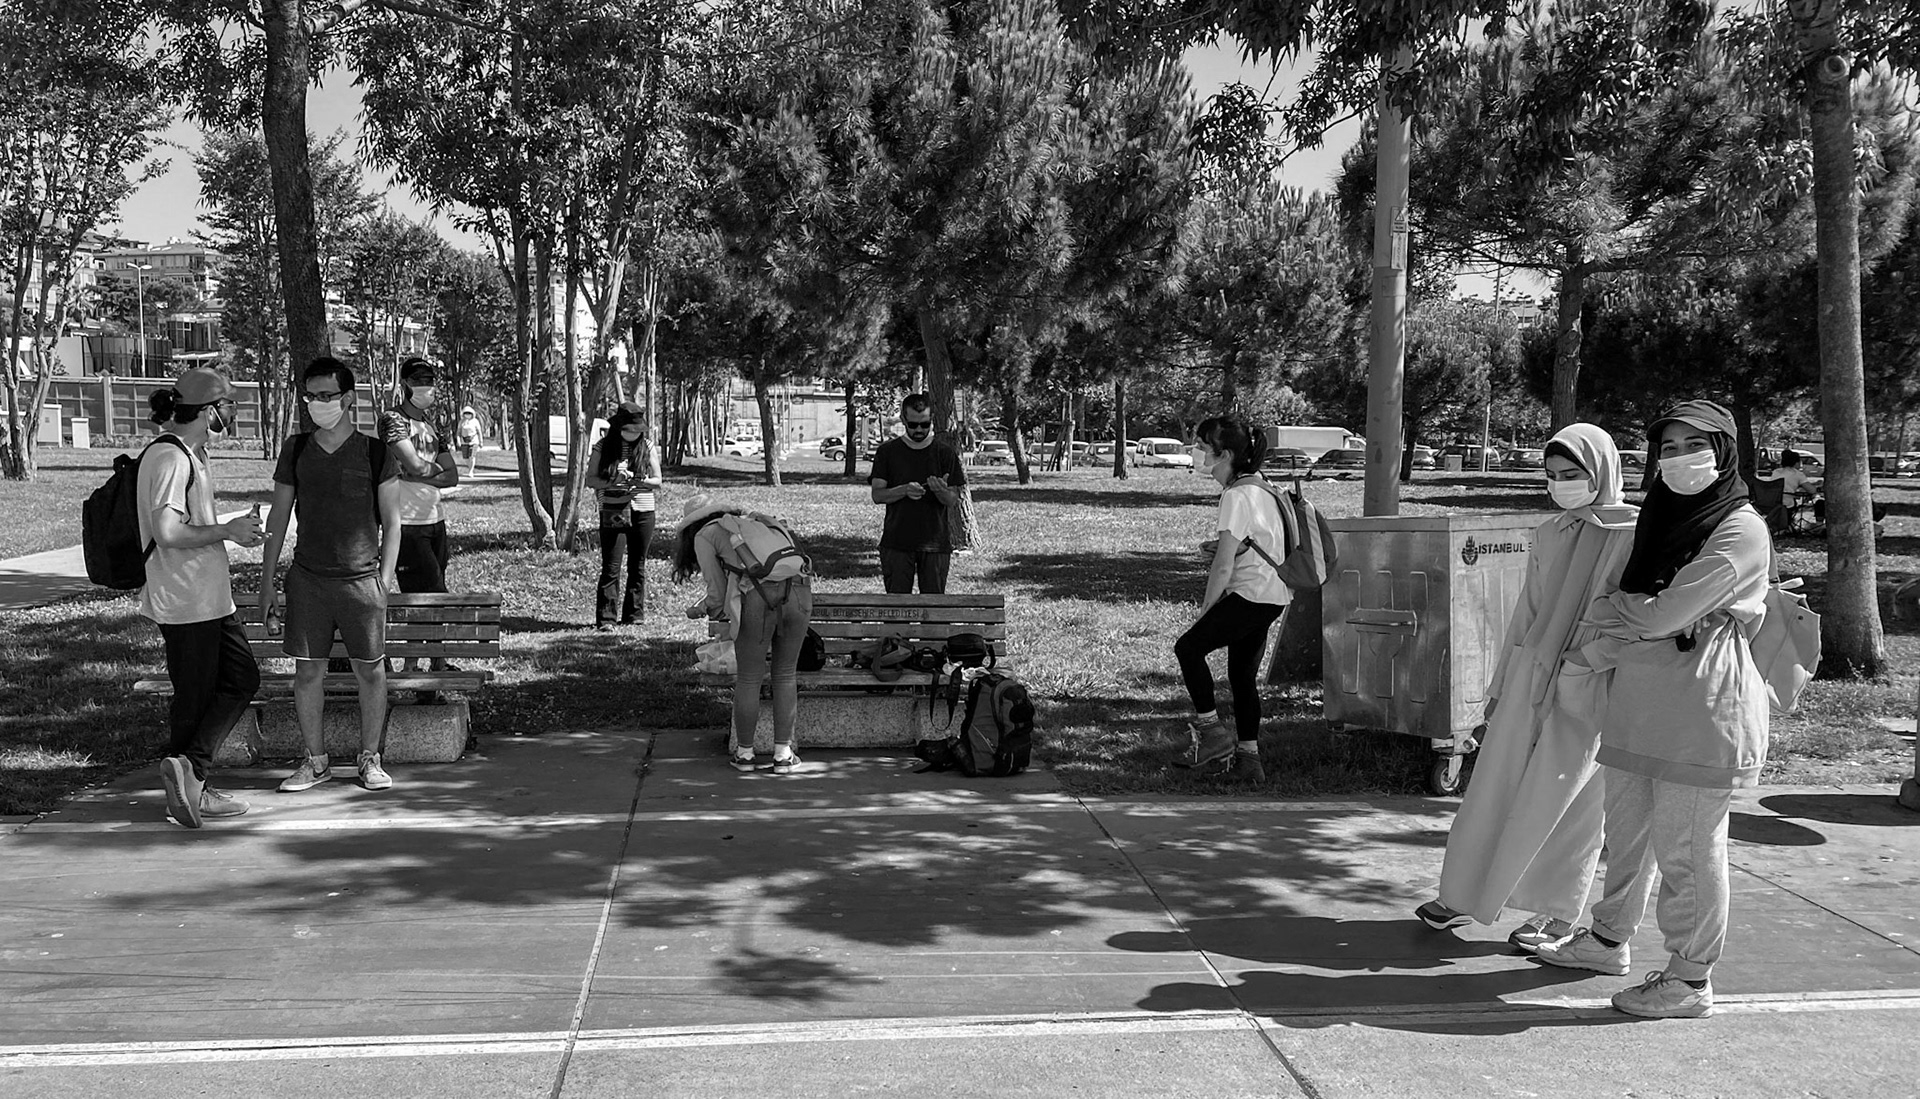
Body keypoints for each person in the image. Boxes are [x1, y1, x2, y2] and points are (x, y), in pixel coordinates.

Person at [1535, 399, 1772, 1020]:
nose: (1677, 459)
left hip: (1702, 710)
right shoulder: (1661, 519)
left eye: (1694, 445)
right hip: (1641, 702)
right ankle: (1609, 940)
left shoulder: (1741, 528)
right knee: (1628, 835)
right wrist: (1638, 611)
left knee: (1688, 850)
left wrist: (1628, 610)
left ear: (1723, 452)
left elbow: (1660, 612)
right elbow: (1641, 605)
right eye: (1666, 448)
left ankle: (1690, 980)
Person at [1413, 423, 1647, 951]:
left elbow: (1641, 617)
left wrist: (1589, 660)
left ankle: (1554, 913)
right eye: (1553, 476)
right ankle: (1463, 892)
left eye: (1573, 475)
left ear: (1604, 471)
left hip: (1597, 680)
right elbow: (1528, 611)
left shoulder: (1637, 533)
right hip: (1534, 670)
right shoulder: (1552, 531)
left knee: (1569, 799)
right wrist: (1501, 684)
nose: (1561, 485)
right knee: (1494, 785)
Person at [260, 357, 404, 794]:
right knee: (307, 673)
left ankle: (370, 759)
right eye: (310, 396)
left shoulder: (376, 452)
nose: (317, 404)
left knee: (371, 672)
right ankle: (315, 761)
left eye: (326, 396)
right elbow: (279, 518)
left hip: (362, 583)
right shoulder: (296, 449)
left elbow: (392, 522)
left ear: (347, 399)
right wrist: (268, 581)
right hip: (308, 580)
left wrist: (383, 579)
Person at [138, 368, 265, 828]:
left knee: (239, 679)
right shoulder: (170, 458)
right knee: (195, 697)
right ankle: (192, 785)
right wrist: (228, 531)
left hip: (210, 597)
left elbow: (189, 522)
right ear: (209, 410)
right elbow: (168, 531)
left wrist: (231, 528)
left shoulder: (193, 453)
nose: (232, 413)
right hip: (186, 598)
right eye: (228, 405)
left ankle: (190, 771)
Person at [1170, 417, 1293, 784]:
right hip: (1274, 595)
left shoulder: (1235, 495)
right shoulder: (1263, 488)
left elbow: (1223, 567)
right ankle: (1250, 762)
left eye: (1202, 446)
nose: (1197, 452)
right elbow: (1256, 543)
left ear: (1224, 455)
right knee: (1242, 678)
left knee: (1189, 648)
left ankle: (1212, 734)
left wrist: (1206, 612)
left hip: (1250, 594)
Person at [673, 493, 813, 775]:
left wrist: (703, 610)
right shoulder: (753, 522)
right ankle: (783, 755)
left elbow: (717, 591)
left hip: (757, 598)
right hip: (798, 592)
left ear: (691, 525)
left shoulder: (705, 535)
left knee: (749, 678)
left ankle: (746, 755)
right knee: (785, 674)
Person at [381, 358, 460, 693]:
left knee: (432, 596)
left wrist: (416, 471)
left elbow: (450, 475)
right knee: (426, 596)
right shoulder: (393, 420)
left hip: (435, 521)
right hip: (407, 524)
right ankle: (417, 665)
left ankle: (430, 663)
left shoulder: (431, 425)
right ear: (405, 384)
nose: (426, 386)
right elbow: (412, 462)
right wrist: (420, 469)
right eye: (418, 379)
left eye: (430, 379)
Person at [869, 393, 966, 594]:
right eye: (913, 425)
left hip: (936, 544)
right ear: (903, 420)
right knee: (897, 611)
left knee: (933, 610)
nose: (919, 430)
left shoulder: (945, 453)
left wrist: (940, 491)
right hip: (897, 542)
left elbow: (952, 500)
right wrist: (904, 490)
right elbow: (878, 495)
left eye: (925, 424)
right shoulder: (887, 452)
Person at [584, 402, 662, 628]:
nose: (633, 434)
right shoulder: (602, 447)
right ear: (618, 427)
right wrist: (612, 481)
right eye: (629, 429)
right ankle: (606, 618)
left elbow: (657, 481)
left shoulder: (647, 446)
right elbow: (591, 480)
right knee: (611, 565)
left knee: (638, 565)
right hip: (613, 509)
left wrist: (640, 481)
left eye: (638, 430)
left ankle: (634, 614)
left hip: (644, 510)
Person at [456, 405, 482, 477]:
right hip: (464, 441)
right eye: (466, 413)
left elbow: (479, 432)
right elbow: (458, 432)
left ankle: (471, 471)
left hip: (474, 441)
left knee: (472, 456)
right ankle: (470, 467)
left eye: (469, 413)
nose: (467, 415)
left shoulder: (475, 421)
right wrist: (458, 441)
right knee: (465, 457)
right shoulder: (461, 422)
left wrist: (481, 441)